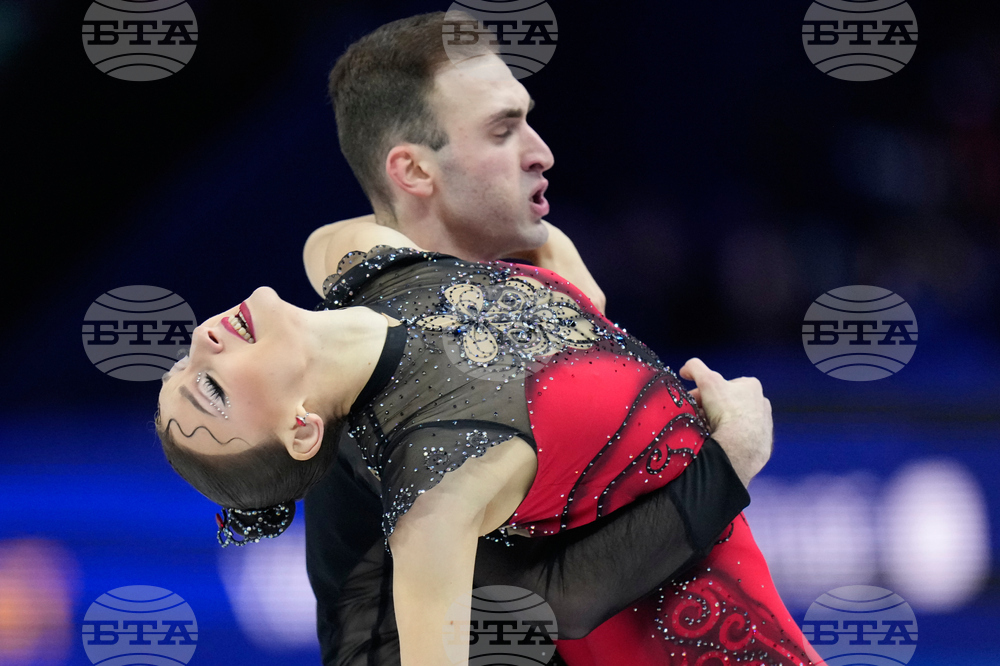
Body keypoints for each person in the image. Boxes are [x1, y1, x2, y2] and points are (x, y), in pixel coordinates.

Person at [299, 12, 780, 665]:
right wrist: (728, 459)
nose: (541, 151)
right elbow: (550, 601)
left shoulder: (514, 303)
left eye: (527, 118)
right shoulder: (393, 367)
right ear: (413, 171)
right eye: (503, 129)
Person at [156, 217, 822, 666]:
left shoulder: (355, 259)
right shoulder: (433, 491)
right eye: (210, 390)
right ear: (301, 426)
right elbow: (561, 599)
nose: (201, 344)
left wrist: (563, 270)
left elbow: (450, 199)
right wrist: (728, 461)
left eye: (180, 366)